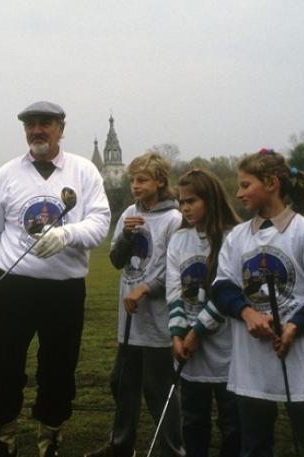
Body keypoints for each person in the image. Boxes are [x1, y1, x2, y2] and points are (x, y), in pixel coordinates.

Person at [0, 101, 111, 457]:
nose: (37, 130)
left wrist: (67, 234)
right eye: (30, 124)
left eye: (45, 123)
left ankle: (50, 438)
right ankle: (4, 436)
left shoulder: (84, 171)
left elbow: (101, 223)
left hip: (65, 290)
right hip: (16, 287)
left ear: (61, 127)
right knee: (4, 368)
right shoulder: (6, 175)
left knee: (59, 370)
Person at [212, 149, 304, 456]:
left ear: (271, 183)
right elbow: (223, 286)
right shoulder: (237, 237)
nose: (238, 192)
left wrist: (294, 326)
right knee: (254, 444)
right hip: (252, 359)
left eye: (246, 185)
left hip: (300, 354)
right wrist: (247, 314)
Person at [85, 152, 185, 457]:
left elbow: (178, 272)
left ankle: (172, 449)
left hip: (159, 322)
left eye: (141, 179)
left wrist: (145, 288)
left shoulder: (175, 219)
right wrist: (127, 235)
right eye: (132, 180)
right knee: (121, 383)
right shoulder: (129, 212)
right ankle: (121, 444)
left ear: (159, 181)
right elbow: (116, 260)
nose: (135, 186)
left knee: (159, 390)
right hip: (129, 322)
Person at [166, 169, 241, 457]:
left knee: (232, 423)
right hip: (187, 350)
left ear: (210, 199)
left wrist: (197, 332)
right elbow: (175, 291)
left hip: (226, 348)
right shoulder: (179, 239)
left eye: (192, 200)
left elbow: (228, 292)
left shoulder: (234, 237)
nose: (185, 207)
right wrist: (177, 333)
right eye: (181, 201)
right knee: (193, 421)